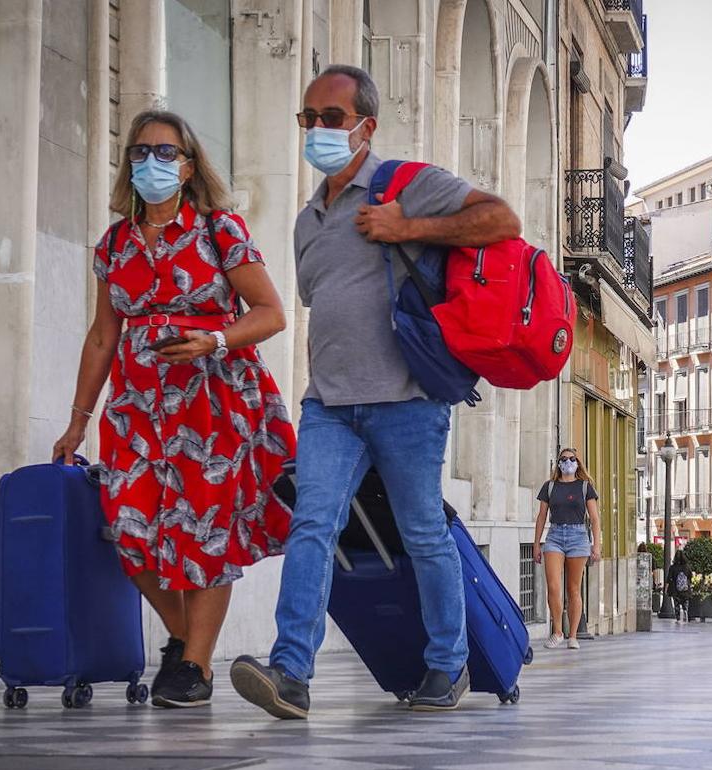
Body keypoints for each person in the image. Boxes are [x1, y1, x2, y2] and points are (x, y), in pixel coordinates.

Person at [229, 65, 520, 719]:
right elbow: (320, 301)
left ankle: (448, 667)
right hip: (328, 404)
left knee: (422, 535)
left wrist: (408, 229)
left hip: (407, 400)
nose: (317, 131)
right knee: (311, 527)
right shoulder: (308, 221)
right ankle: (292, 674)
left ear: (366, 125)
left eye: (331, 118)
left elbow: (502, 219)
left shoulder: (406, 187)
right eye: (308, 119)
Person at [52, 110, 296, 708]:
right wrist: (77, 421)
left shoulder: (221, 230)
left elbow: (270, 312)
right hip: (136, 409)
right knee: (127, 531)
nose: (150, 163)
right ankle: (186, 637)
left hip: (212, 401)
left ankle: (195, 667)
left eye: (164, 153)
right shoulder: (113, 245)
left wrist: (212, 340)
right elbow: (102, 338)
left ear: (188, 166)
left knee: (205, 533)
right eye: (139, 153)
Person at [532, 449, 602, 651]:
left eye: (572, 459)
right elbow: (541, 517)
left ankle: (573, 636)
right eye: (564, 459)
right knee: (553, 586)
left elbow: (595, 518)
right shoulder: (550, 486)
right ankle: (557, 632)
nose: (568, 462)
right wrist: (537, 544)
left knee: (573, 589)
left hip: (578, 537)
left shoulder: (585, 487)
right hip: (554, 536)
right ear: (559, 464)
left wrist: (596, 544)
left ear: (578, 463)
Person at [666, 550, 693, 622]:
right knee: (685, 602)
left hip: (675, 589)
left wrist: (666, 588)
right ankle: (685, 611)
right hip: (685, 589)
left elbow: (669, 579)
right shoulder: (687, 567)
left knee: (676, 604)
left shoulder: (672, 567)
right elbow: (690, 577)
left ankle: (678, 618)